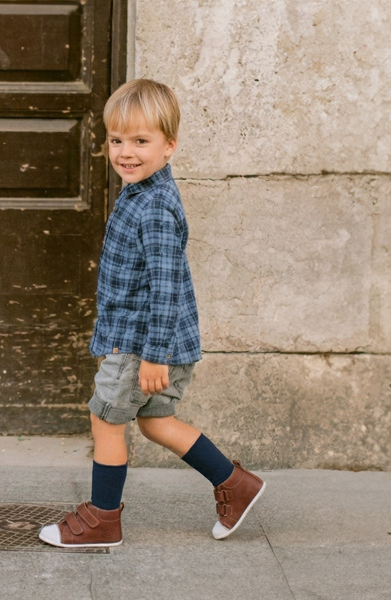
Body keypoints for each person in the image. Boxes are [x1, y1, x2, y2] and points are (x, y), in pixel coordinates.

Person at [39, 79, 265, 548]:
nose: (126, 152)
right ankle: (235, 484)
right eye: (117, 140)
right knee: (155, 421)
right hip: (155, 342)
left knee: (106, 419)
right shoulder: (142, 192)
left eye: (141, 141)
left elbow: (165, 289)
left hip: (142, 344)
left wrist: (153, 356)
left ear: (169, 146)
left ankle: (103, 520)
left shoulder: (154, 208)